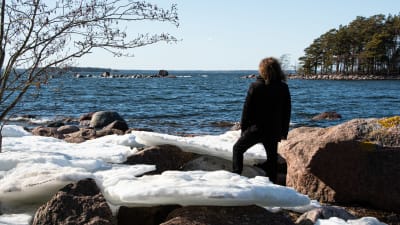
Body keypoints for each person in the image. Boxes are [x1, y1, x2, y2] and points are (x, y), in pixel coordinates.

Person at [232, 57, 291, 183]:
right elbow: (287, 112)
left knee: (237, 149)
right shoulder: (283, 87)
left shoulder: (255, 86)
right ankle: (273, 185)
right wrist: (283, 132)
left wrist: (244, 130)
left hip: (256, 129)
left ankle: (236, 177)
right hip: (274, 130)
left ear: (262, 70)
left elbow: (246, 111)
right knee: (272, 159)